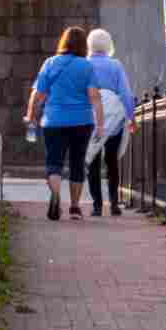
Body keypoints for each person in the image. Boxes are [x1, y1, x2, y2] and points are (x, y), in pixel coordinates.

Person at [25, 26, 105, 221]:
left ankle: (55, 194)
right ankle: (75, 207)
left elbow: (38, 94)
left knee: (54, 162)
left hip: (54, 120)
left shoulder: (50, 63)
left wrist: (31, 115)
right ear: (82, 45)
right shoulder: (87, 66)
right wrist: (101, 124)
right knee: (77, 163)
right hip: (82, 121)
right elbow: (95, 97)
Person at [85, 28, 135, 217]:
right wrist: (131, 117)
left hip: (91, 117)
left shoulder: (85, 65)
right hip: (114, 118)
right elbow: (125, 93)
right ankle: (114, 203)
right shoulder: (115, 65)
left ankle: (97, 205)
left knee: (93, 160)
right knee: (112, 161)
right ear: (108, 45)